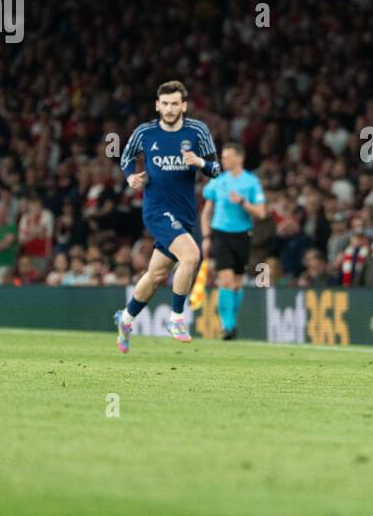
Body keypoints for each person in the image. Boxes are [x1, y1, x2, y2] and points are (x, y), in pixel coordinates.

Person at [113, 81, 220, 352]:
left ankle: (125, 319)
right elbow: (125, 158)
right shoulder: (145, 132)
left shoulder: (198, 131)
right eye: (165, 103)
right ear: (157, 105)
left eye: (175, 103)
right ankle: (176, 318)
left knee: (156, 274)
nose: (170, 109)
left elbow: (217, 169)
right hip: (156, 210)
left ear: (183, 105)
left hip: (185, 214)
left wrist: (200, 163)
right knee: (191, 256)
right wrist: (130, 177)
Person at [200, 142, 267, 340]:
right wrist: (205, 237)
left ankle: (232, 323)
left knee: (237, 283)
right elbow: (206, 213)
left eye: (227, 156)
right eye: (223, 156)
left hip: (242, 235)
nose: (223, 160)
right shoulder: (217, 182)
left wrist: (243, 203)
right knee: (226, 279)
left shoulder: (251, 182)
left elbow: (261, 213)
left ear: (239, 158)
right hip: (220, 233)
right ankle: (226, 326)